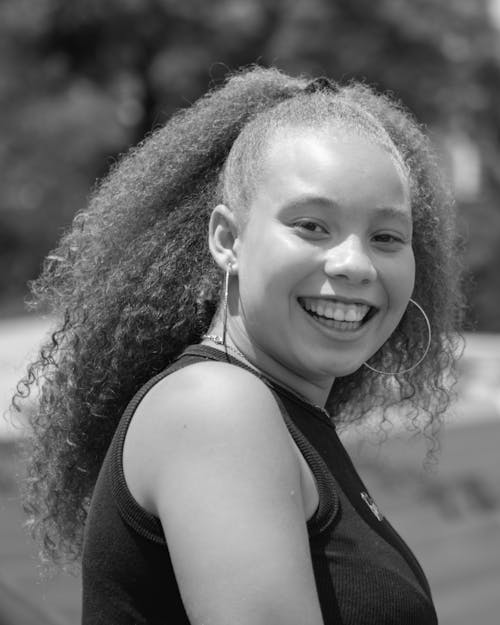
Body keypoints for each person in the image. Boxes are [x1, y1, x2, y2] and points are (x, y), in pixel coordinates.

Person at [15, 66, 464, 624]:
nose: (355, 264)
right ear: (227, 238)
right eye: (311, 225)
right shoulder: (217, 409)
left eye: (387, 237)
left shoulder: (284, 418)